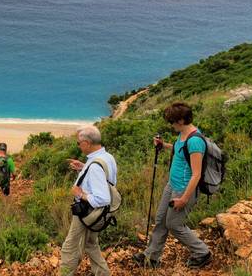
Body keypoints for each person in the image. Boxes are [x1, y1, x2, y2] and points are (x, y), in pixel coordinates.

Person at [133, 102, 212, 269]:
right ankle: (151, 257)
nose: (171, 125)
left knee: (174, 224)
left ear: (181, 120)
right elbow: (180, 151)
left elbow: (196, 174)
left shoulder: (195, 141)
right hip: (172, 184)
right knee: (161, 220)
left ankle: (202, 252)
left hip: (184, 189)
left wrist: (183, 198)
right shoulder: (183, 134)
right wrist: (164, 146)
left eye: (172, 121)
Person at [60, 126, 117, 276]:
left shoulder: (95, 166)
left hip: (87, 212)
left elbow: (102, 198)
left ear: (86, 143)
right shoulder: (107, 157)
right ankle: (102, 273)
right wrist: (84, 168)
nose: (78, 145)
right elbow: (106, 180)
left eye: (78, 143)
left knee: (69, 247)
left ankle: (66, 273)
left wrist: (81, 194)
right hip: (98, 213)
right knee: (91, 244)